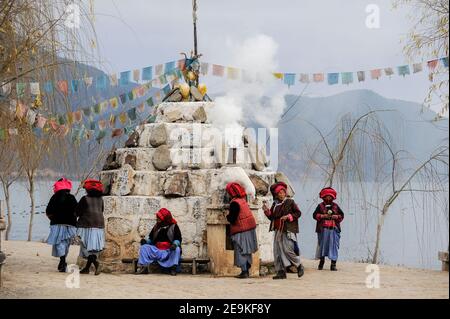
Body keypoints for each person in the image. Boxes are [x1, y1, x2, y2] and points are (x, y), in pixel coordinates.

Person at [263, 182, 304, 279]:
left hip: (287, 230)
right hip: (278, 230)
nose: (281, 195)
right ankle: (280, 271)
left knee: (287, 249)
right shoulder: (275, 204)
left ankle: (299, 265)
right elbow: (272, 217)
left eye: (283, 192)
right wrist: (266, 211)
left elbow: (298, 213)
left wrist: (288, 216)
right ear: (276, 195)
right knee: (277, 251)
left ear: (285, 193)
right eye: (279, 193)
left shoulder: (290, 202)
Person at [225, 182, 258, 279]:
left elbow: (232, 218)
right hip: (249, 228)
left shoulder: (234, 203)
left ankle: (244, 272)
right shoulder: (242, 201)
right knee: (246, 250)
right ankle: (246, 269)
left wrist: (227, 216)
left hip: (241, 230)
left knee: (240, 250)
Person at [137, 208, 182, 276]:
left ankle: (173, 268)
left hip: (168, 251)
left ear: (165, 219)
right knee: (144, 247)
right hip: (157, 250)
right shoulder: (156, 226)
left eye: (159, 218)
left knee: (177, 249)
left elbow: (178, 239)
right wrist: (146, 242)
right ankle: (144, 267)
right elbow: (151, 239)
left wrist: (175, 244)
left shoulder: (174, 226)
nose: (157, 220)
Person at [46, 178, 78, 272]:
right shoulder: (72, 197)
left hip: (57, 224)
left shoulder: (54, 197)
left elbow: (48, 211)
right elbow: (77, 211)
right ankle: (62, 261)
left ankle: (62, 261)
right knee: (66, 243)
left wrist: (53, 219)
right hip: (71, 224)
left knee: (59, 242)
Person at [75, 179, 105, 275]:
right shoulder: (101, 200)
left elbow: (77, 212)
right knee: (94, 248)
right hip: (99, 225)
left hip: (86, 225)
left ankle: (96, 263)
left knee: (85, 246)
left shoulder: (85, 199)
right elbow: (102, 211)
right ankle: (87, 268)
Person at [313, 187, 344, 271]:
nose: (328, 198)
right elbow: (314, 215)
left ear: (333, 197)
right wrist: (323, 216)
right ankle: (321, 263)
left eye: (330, 197)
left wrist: (336, 216)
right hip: (323, 230)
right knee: (322, 246)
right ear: (323, 197)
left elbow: (342, 215)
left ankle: (333, 265)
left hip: (333, 230)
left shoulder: (336, 206)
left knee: (334, 246)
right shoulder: (320, 206)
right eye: (327, 196)